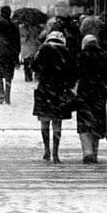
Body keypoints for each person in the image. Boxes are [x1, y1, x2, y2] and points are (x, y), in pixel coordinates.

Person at [31, 29, 75, 164]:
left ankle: (46, 150)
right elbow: (72, 71)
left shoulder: (43, 49)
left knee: (44, 121)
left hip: (44, 89)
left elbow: (34, 66)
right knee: (57, 122)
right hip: (59, 90)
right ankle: (56, 153)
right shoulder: (66, 51)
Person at [75, 33, 107, 164]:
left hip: (84, 95)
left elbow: (76, 75)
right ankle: (95, 152)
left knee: (84, 125)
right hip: (99, 95)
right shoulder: (103, 57)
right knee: (97, 124)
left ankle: (87, 152)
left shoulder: (81, 56)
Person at [0, 4, 21, 105]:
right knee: (8, 75)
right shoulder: (14, 26)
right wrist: (16, 56)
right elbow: (17, 43)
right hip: (10, 54)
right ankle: (7, 95)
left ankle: (0, 94)